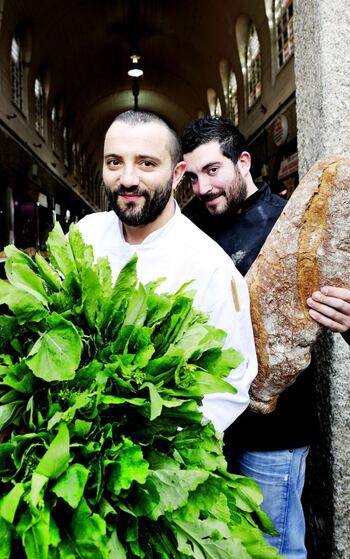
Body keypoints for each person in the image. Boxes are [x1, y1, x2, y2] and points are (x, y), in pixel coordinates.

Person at [181, 115, 350, 558]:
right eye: (192, 176)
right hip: (210, 429)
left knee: (273, 546)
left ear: (243, 162)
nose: (202, 188)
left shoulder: (289, 225)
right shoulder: (188, 225)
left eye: (212, 171)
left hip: (275, 433)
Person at [77, 110, 257, 432]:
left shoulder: (211, 267)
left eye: (147, 163)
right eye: (114, 162)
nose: (128, 179)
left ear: (176, 175)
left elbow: (231, 383)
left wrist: (158, 440)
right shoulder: (82, 237)